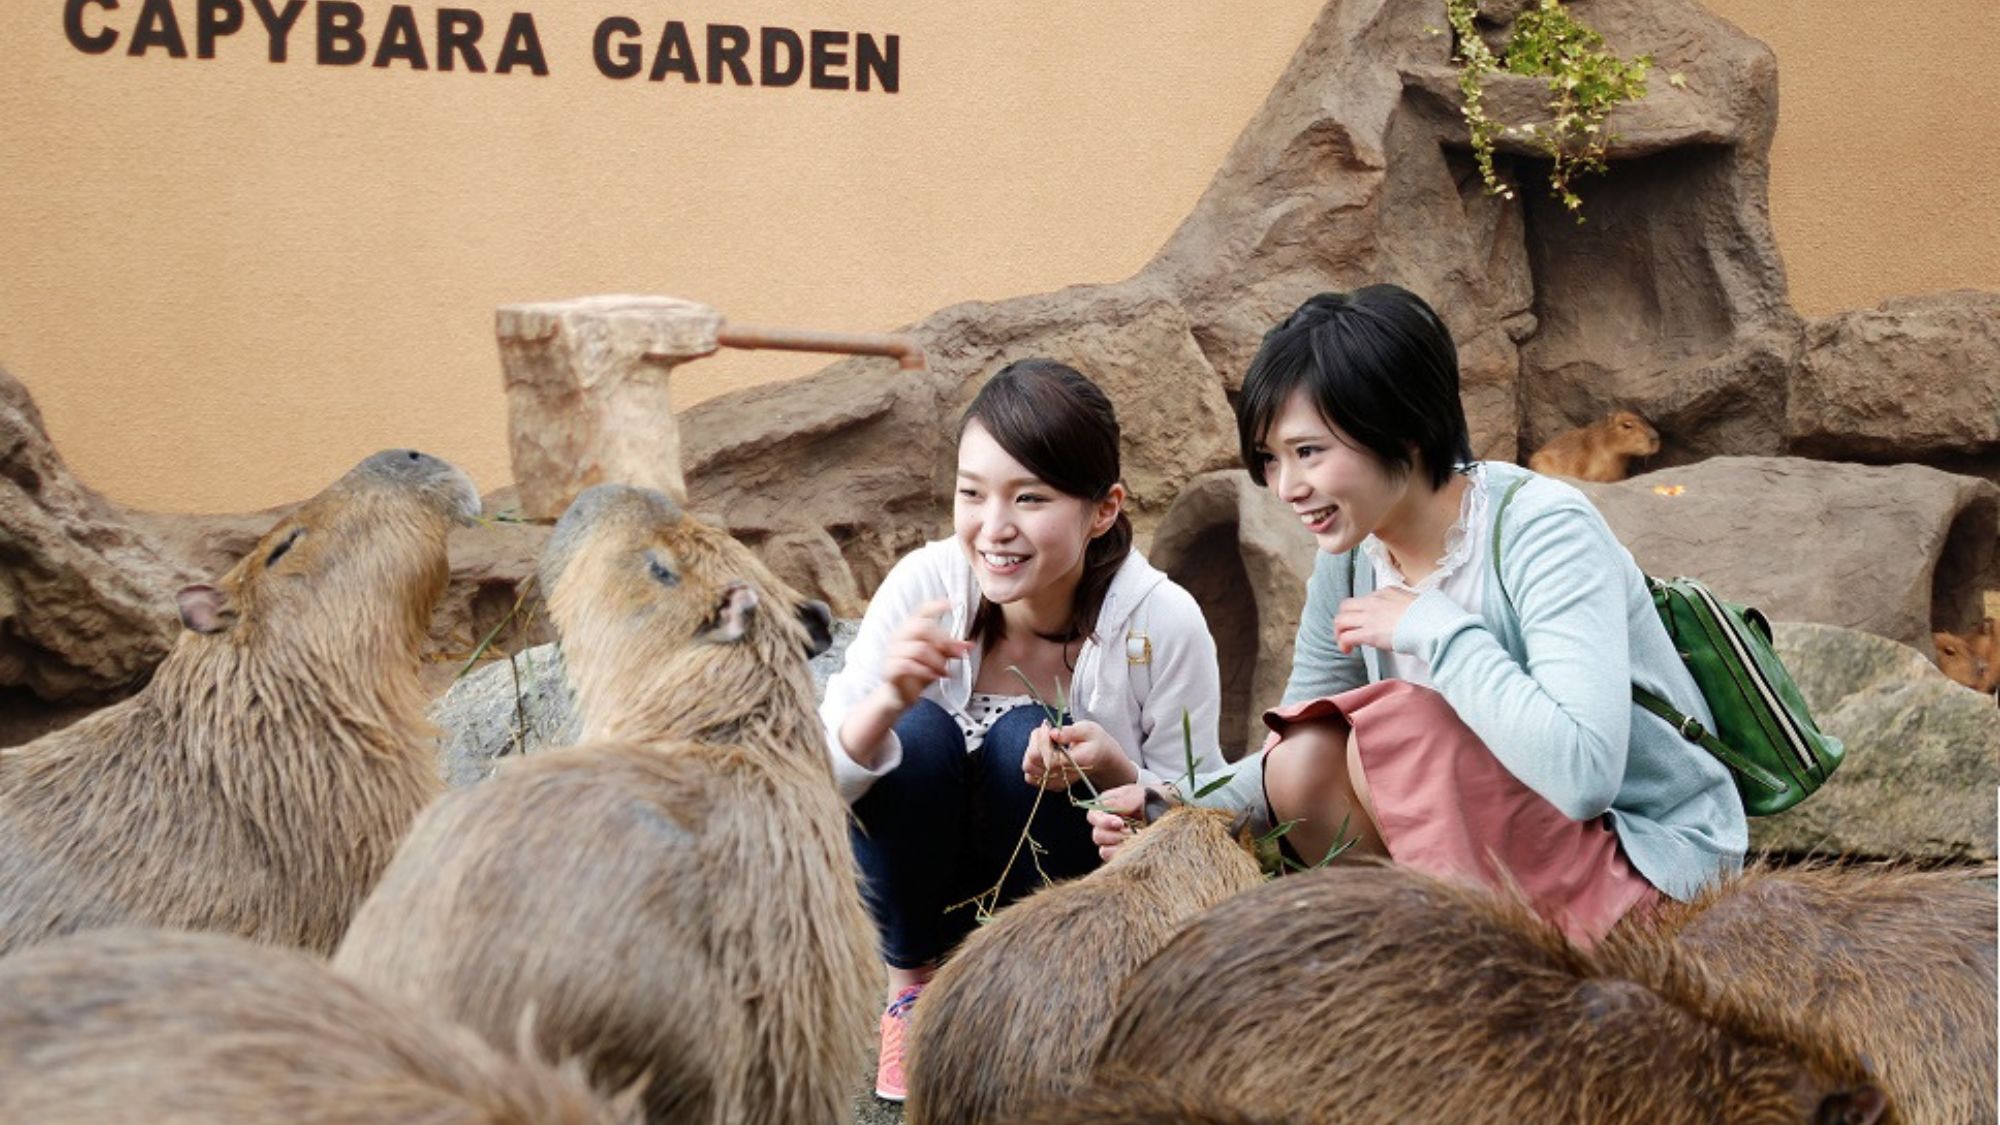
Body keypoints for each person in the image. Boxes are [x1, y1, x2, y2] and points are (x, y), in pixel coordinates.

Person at [1088, 285, 1747, 948]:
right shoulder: (1353, 553)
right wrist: (1166, 804)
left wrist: (1438, 629)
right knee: (1303, 756)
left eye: (1309, 451)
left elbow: (1583, 775)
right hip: (1499, 861)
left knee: (1397, 722)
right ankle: (1414, 981)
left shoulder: (1544, 528)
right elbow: (1285, 749)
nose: (1285, 487)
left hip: (1643, 865)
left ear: (1402, 428)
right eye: (1270, 457)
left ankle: (1476, 976)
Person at [821, 357, 1224, 1103]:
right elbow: (812, 785)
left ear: (1103, 509)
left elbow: (1203, 811)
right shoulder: (924, 586)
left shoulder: (1164, 622)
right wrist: (885, 704)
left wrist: (1116, 776)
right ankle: (910, 994)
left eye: (1029, 497)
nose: (993, 527)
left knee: (1028, 740)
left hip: (1050, 917)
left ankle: (1033, 999)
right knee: (916, 730)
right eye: (972, 493)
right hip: (918, 903)